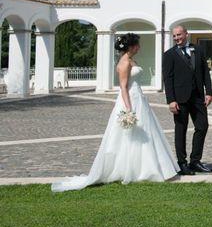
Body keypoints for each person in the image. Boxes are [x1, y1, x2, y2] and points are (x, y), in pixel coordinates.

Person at [52, 33, 178, 192]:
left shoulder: (131, 60)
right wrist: (128, 108)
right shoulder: (125, 63)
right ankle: (132, 169)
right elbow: (123, 87)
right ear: (131, 46)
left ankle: (147, 167)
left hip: (138, 97)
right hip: (130, 99)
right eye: (137, 45)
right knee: (129, 135)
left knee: (146, 132)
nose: (139, 47)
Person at [162, 25, 212, 175]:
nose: (177, 38)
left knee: (202, 126)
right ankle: (182, 163)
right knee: (181, 130)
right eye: (174, 36)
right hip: (179, 98)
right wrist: (171, 100)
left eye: (179, 35)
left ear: (186, 34)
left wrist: (208, 92)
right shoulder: (169, 55)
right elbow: (168, 79)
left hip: (198, 97)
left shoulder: (198, 50)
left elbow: (205, 72)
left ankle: (195, 161)